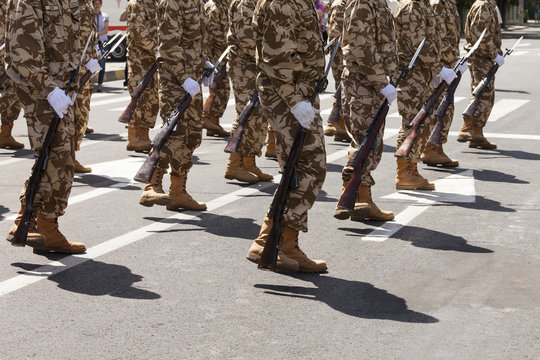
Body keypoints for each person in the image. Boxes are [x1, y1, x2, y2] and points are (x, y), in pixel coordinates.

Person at [246, 0, 327, 273]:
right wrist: (294, 101)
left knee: (296, 167)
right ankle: (286, 246)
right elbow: (277, 57)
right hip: (286, 95)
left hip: (298, 92)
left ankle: (267, 239)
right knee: (311, 165)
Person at [5, 0, 88, 254]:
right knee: (58, 155)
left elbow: (80, 36)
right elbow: (22, 49)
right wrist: (49, 90)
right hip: (40, 89)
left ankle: (28, 219)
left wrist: (85, 68)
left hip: (66, 87)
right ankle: (46, 226)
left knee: (55, 154)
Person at [138, 0, 209, 211]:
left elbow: (192, 40)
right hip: (175, 81)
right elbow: (169, 44)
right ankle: (151, 185)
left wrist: (203, 62)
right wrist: (184, 76)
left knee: (192, 135)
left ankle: (178, 192)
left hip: (191, 80)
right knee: (173, 134)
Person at [333, 0, 398, 223]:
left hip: (371, 83)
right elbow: (361, 45)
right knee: (365, 141)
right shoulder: (363, 1)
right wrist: (381, 81)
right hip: (364, 83)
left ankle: (358, 198)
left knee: (368, 141)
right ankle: (358, 198)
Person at [393, 0, 456, 190]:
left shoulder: (422, 4)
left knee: (424, 121)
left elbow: (430, 40)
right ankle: (403, 172)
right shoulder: (413, 5)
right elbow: (416, 44)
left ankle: (411, 168)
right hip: (412, 74)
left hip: (423, 72)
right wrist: (439, 68)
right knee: (413, 121)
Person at [224, 0, 274, 184]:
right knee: (247, 114)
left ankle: (249, 161)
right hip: (244, 67)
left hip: (259, 66)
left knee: (259, 115)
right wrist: (272, 58)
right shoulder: (245, 2)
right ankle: (234, 163)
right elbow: (247, 39)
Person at [420, 0, 461, 167]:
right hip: (440, 65)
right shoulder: (438, 4)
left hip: (448, 64)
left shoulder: (449, 3)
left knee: (447, 107)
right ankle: (430, 147)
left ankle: (436, 147)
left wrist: (457, 59)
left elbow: (452, 37)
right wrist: (443, 65)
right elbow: (437, 39)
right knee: (438, 108)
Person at [457, 0, 502, 149]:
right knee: (481, 91)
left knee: (486, 94)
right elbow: (480, 34)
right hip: (480, 57)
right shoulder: (482, 6)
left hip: (485, 57)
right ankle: (466, 127)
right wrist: (494, 54)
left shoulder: (489, 6)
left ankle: (477, 133)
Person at [124, 0, 159, 154]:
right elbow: (138, 31)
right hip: (140, 59)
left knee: (151, 99)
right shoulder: (136, 3)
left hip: (153, 59)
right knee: (140, 97)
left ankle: (144, 135)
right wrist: (157, 48)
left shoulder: (156, 3)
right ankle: (134, 136)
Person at [73, 0, 102, 174]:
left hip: (86, 68)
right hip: (75, 69)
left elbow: (89, 35)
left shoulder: (87, 3)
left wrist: (95, 49)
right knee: (73, 116)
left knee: (82, 114)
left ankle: (71, 156)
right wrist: (84, 60)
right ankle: (64, 158)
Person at [323, 0, 351, 143]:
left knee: (344, 90)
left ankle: (340, 126)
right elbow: (336, 34)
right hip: (341, 54)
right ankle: (333, 122)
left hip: (346, 53)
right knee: (343, 89)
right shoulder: (341, 4)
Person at [202, 0, 231, 137]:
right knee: (220, 88)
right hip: (216, 55)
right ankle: (208, 117)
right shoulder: (214, 8)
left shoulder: (223, 6)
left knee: (221, 89)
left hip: (222, 53)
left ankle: (213, 122)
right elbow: (213, 32)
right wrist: (230, 42)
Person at [0, 1, 24, 150]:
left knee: (16, 92)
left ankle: (5, 134)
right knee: (13, 93)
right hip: (5, 51)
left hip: (12, 49)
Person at [94, 0, 109, 92]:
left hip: (103, 41)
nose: (97, 6)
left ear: (101, 5)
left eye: (98, 4)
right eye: (95, 4)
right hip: (93, 42)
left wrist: (96, 34)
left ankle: (100, 84)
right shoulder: (90, 15)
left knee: (102, 63)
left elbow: (106, 29)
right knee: (91, 63)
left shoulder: (105, 16)